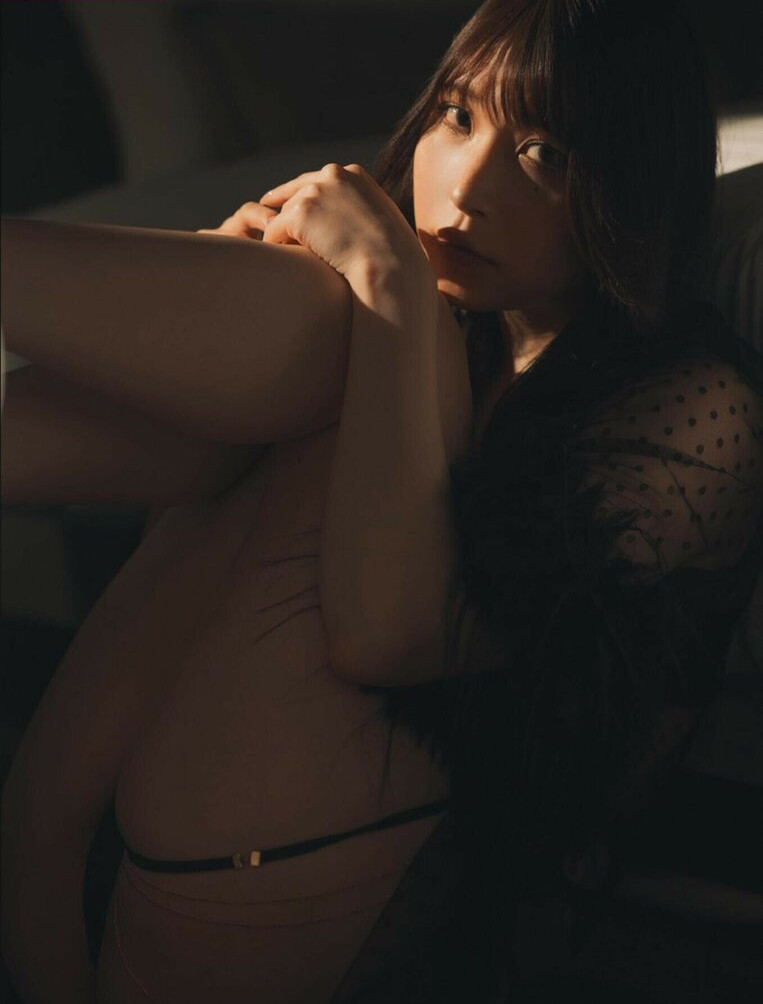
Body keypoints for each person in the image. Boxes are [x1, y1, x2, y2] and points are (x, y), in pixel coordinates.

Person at [1, 0, 761, 1001]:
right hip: (127, 857)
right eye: (457, 116)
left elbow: (388, 635)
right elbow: (193, 482)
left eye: (543, 154)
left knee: (338, 334)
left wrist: (390, 285)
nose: (467, 188)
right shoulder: (436, 334)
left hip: (388, 907)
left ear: (632, 184)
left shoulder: (696, 405)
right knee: (314, 330)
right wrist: (207, 304)